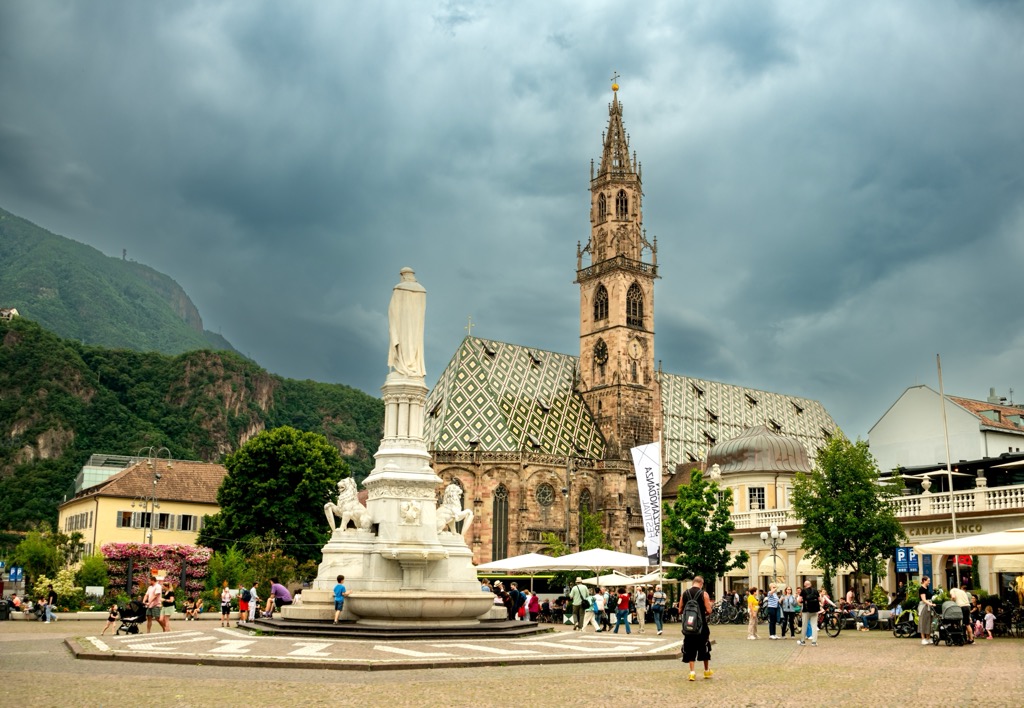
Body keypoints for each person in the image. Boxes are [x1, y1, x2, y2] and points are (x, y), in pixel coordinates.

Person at [679, 576, 713, 681]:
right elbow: (709, 610)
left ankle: (692, 672)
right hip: (701, 625)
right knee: (704, 646)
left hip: (688, 626)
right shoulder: (704, 594)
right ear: (701, 583)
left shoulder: (684, 594)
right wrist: (703, 613)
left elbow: (680, 610)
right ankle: (706, 671)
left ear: (693, 582)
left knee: (689, 647)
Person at [798, 580, 820, 646]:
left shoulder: (803, 591)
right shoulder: (815, 591)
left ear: (805, 585)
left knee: (804, 625)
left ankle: (802, 641)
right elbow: (819, 599)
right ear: (810, 584)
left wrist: (803, 601)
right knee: (814, 626)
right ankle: (814, 642)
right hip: (815, 610)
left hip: (806, 610)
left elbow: (799, 600)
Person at [917, 576, 935, 645]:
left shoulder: (927, 588)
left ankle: (928, 637)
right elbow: (923, 599)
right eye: (928, 580)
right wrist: (931, 604)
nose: (929, 582)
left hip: (928, 605)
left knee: (929, 621)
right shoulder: (921, 589)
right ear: (924, 581)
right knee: (923, 622)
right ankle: (923, 638)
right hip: (924, 606)